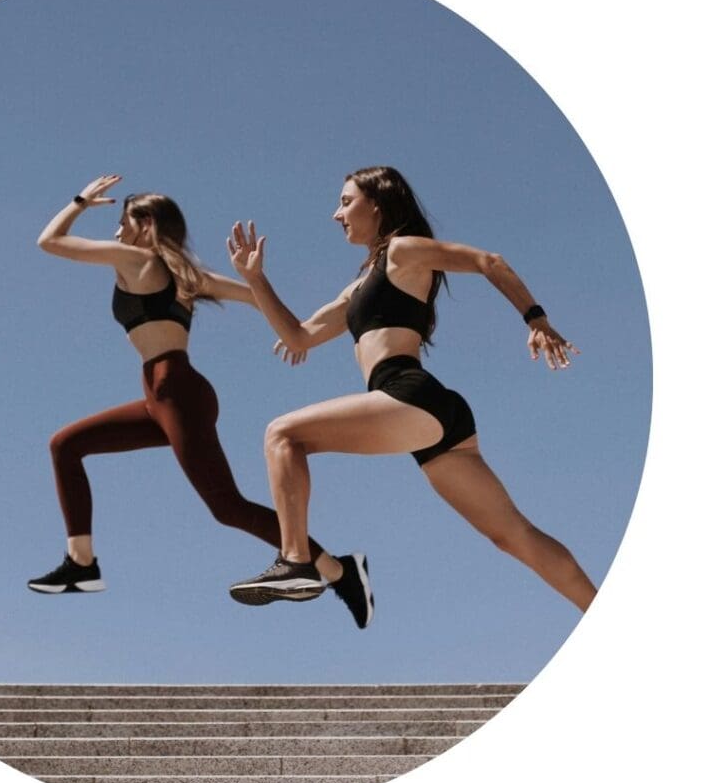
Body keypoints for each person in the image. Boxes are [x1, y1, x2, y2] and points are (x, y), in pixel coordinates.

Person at [225, 165, 597, 614]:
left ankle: (295, 562)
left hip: (408, 394)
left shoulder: (403, 251)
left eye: (346, 202)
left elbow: (489, 261)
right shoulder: (358, 287)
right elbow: (300, 337)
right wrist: (256, 279)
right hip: (432, 416)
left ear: (377, 205)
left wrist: (535, 318)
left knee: (281, 434)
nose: (336, 214)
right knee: (513, 536)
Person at [27, 174, 375, 628]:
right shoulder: (190, 277)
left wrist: (79, 201)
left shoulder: (136, 259)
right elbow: (255, 297)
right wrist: (296, 333)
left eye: (123, 222)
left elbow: (50, 242)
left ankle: (340, 571)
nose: (116, 231)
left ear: (146, 224)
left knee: (227, 506)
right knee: (66, 445)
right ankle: (81, 563)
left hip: (178, 393)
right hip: (163, 396)